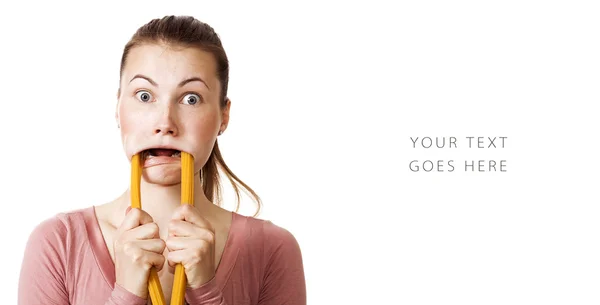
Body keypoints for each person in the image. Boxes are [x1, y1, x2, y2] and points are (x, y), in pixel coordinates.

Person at [17, 15, 306, 305]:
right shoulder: (58, 243)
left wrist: (206, 290)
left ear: (224, 116)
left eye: (191, 99)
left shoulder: (273, 249)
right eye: (144, 96)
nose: (165, 122)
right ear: (118, 109)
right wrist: (126, 294)